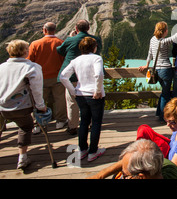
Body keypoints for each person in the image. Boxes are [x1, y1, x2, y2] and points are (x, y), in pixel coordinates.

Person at [0, 40, 47, 169]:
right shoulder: (31, 67)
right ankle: (22, 157)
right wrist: (40, 106)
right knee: (26, 127)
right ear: (25, 52)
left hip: (1, 105)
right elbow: (37, 90)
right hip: (21, 107)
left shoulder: (1, 67)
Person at [59, 37, 105, 162]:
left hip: (80, 95)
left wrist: (73, 91)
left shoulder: (75, 60)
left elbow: (63, 76)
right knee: (96, 122)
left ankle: (82, 149)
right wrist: (98, 90)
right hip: (95, 95)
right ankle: (93, 151)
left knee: (84, 121)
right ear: (94, 47)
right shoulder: (96, 58)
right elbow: (99, 74)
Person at [57, 19, 102, 135]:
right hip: (90, 75)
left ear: (76, 29)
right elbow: (98, 51)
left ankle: (72, 126)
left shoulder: (70, 40)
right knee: (92, 100)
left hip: (72, 76)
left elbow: (60, 51)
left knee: (72, 102)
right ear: (88, 28)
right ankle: (92, 123)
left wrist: (71, 38)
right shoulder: (95, 39)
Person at [88, 125, 177, 179]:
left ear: (141, 177)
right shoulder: (164, 165)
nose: (122, 175)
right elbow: (127, 162)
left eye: (124, 175)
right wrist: (99, 176)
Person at [139, 22, 177, 123]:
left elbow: (149, 53)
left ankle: (158, 113)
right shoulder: (164, 42)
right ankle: (163, 117)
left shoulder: (152, 39)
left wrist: (146, 65)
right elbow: (175, 37)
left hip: (156, 70)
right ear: (165, 31)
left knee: (163, 93)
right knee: (165, 94)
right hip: (165, 70)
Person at [27, 22, 67, 132]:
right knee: (60, 99)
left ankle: (38, 124)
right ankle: (61, 121)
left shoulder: (35, 44)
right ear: (55, 30)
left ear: (44, 30)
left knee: (39, 99)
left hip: (40, 78)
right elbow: (65, 60)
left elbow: (29, 61)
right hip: (57, 76)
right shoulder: (60, 43)